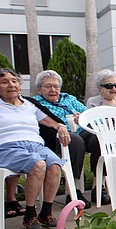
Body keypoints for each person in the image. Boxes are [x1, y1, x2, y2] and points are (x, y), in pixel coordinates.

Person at [0, 68, 71, 229]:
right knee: (38, 165)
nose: (11, 85)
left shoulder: (29, 104)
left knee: (54, 164)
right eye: (5, 82)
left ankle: (46, 212)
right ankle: (30, 215)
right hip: (5, 147)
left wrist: (61, 126)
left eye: (14, 81)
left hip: (35, 145)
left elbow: (51, 121)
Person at [32, 70, 92, 208]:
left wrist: (81, 117)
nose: (53, 90)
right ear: (39, 89)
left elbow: (88, 113)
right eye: (48, 86)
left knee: (96, 139)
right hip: (53, 137)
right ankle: (72, 191)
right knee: (75, 140)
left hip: (77, 131)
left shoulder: (69, 99)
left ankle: (98, 186)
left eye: (56, 86)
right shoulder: (36, 103)